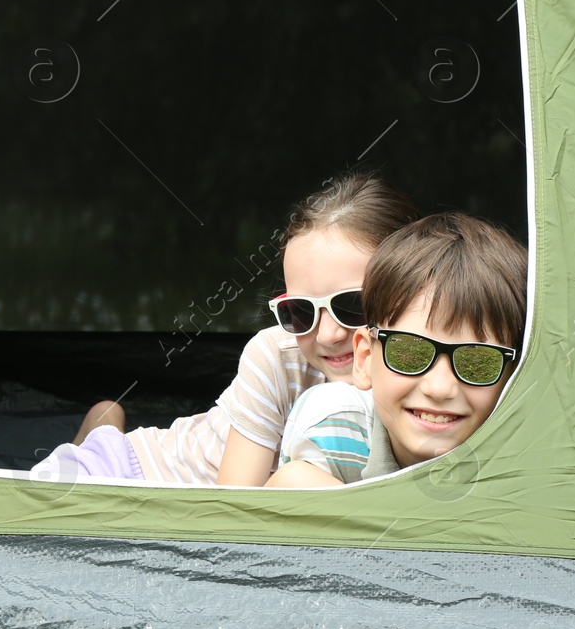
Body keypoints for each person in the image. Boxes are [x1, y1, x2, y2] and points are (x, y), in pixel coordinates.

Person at [30, 173, 418, 485]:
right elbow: (233, 514)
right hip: (135, 478)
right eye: (300, 312)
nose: (327, 334)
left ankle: (104, 420)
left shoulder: (428, 372)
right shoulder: (277, 357)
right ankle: (101, 436)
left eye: (352, 305)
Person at [265, 212, 528, 488]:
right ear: (365, 359)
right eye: (410, 353)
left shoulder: (535, 463)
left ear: (514, 373)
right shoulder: (330, 429)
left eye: (477, 361)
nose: (439, 388)